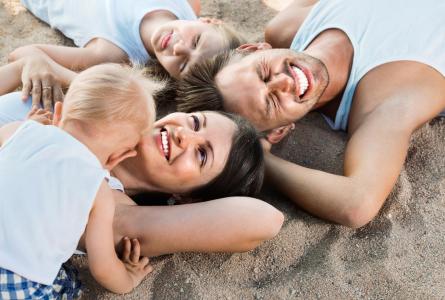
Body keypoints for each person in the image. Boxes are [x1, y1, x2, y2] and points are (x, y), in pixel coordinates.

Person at [176, 0, 445, 228]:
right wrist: (263, 160)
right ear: (280, 130)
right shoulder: (383, 104)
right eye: (272, 102)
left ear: (254, 49)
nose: (283, 82)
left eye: (263, 72)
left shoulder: (288, 26)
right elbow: (357, 203)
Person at [0, 60, 283, 258]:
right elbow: (21, 65)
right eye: (195, 122)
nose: (185, 136)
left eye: (201, 154)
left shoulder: (111, 208)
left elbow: (264, 220)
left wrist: (272, 164)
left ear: (187, 198)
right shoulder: (86, 103)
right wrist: (32, 64)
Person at [0, 63, 156, 298]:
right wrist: (129, 280)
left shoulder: (15, 131)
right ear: (117, 157)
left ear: (59, 113)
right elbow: (102, 267)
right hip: (15, 280)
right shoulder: (99, 192)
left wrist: (28, 126)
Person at [8, 0, 244, 109]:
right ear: (210, 22)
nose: (179, 48)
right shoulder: (189, 6)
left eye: (182, 65)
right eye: (197, 40)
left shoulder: (111, 53)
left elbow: (25, 54)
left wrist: (41, 65)